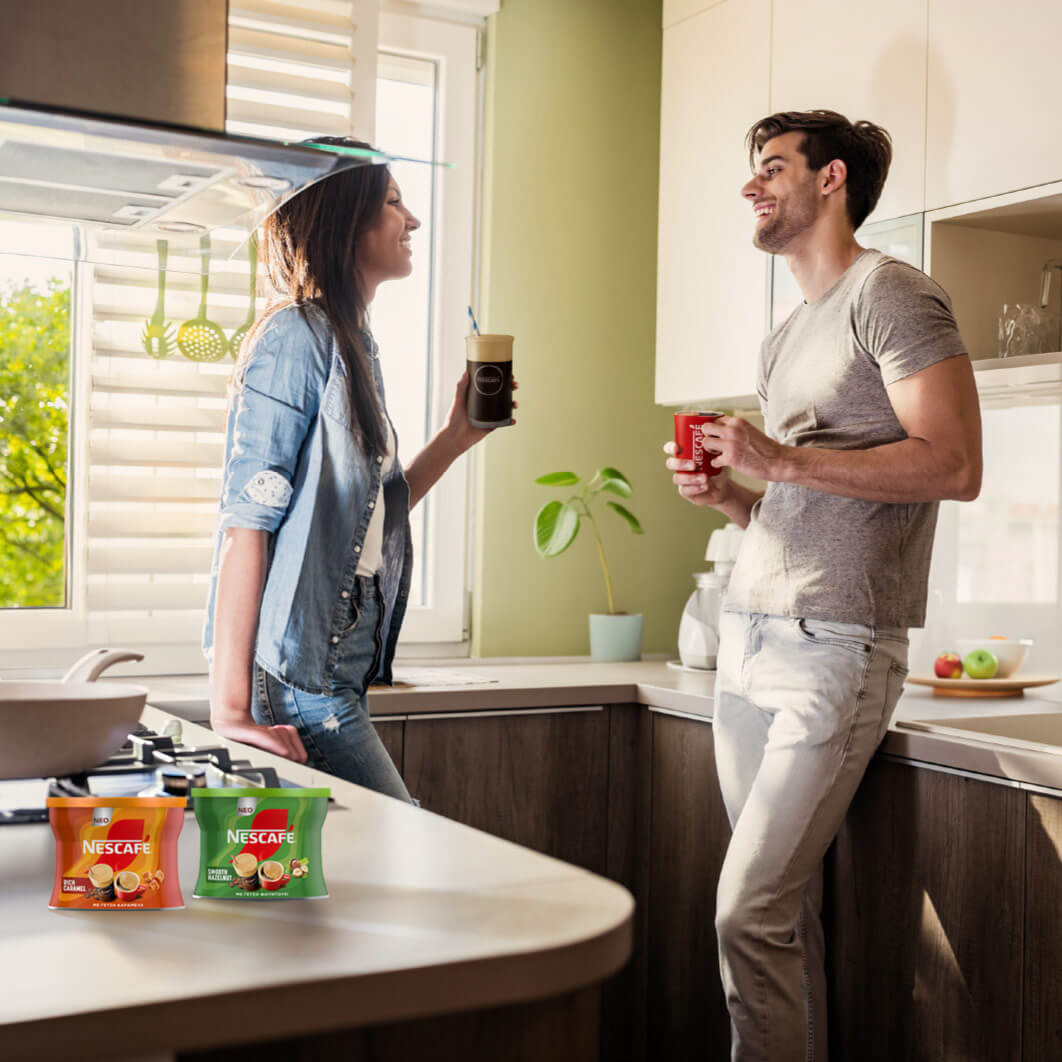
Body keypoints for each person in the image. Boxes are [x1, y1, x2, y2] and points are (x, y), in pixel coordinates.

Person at [665, 110, 982, 1060]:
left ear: (831, 177)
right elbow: (800, 506)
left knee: (746, 911)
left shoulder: (893, 294)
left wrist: (781, 461)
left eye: (772, 167)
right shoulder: (785, 336)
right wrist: (734, 496)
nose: (752, 186)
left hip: (835, 648)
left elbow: (955, 464)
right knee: (778, 914)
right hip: (749, 639)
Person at [204, 138, 515, 803]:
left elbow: (369, 515)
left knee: (349, 857)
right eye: (395, 202)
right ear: (348, 223)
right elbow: (247, 522)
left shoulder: (352, 344)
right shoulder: (297, 335)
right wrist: (229, 709)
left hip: (336, 663)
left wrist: (457, 437)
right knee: (401, 835)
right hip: (301, 675)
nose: (413, 220)